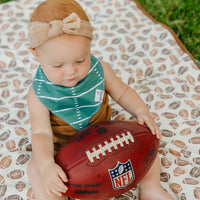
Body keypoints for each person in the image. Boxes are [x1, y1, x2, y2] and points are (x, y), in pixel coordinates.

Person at [27, 0, 175, 200]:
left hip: (105, 134)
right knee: (35, 168)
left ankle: (150, 188)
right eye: (58, 65)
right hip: (64, 152)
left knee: (145, 136)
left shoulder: (100, 70)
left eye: (80, 60)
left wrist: (141, 112)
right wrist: (47, 165)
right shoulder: (39, 93)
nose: (71, 72)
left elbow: (122, 92)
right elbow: (41, 132)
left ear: (90, 45)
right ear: (35, 54)